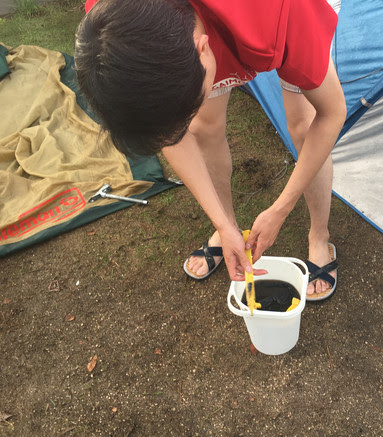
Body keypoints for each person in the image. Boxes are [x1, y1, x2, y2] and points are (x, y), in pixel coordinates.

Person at [75, 0, 345, 300]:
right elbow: (169, 131)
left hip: (280, 15)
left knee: (303, 125)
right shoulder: (109, 22)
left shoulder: (284, 13)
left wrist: (281, 209)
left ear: (203, 47)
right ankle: (227, 228)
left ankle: (319, 236)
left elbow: (332, 113)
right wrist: (222, 223)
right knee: (204, 127)